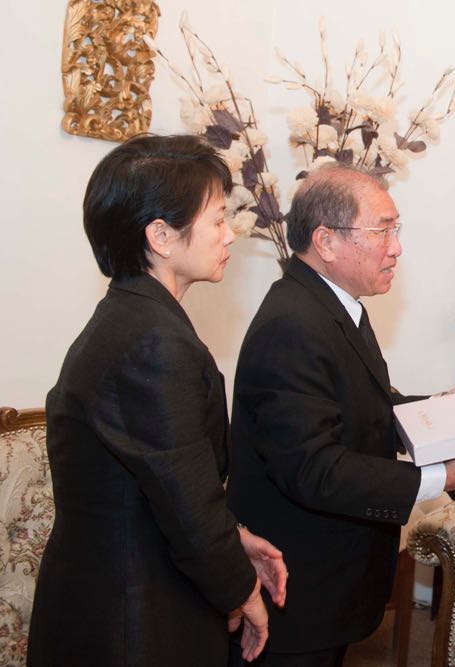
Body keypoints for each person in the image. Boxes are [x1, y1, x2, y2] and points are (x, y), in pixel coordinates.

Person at [226, 163, 455, 666]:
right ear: (327, 241)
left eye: (395, 230)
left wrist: (446, 413)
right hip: (298, 584)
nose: (396, 246)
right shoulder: (293, 324)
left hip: (329, 578)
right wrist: (440, 476)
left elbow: (368, 403)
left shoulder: (333, 305)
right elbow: (314, 467)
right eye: (383, 230)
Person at [28, 135, 288, 666]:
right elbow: (186, 504)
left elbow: (164, 481)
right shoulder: (151, 341)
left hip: (124, 589)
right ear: (161, 236)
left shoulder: (133, 318)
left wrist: (234, 537)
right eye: (217, 219)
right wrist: (243, 592)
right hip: (130, 614)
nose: (229, 234)